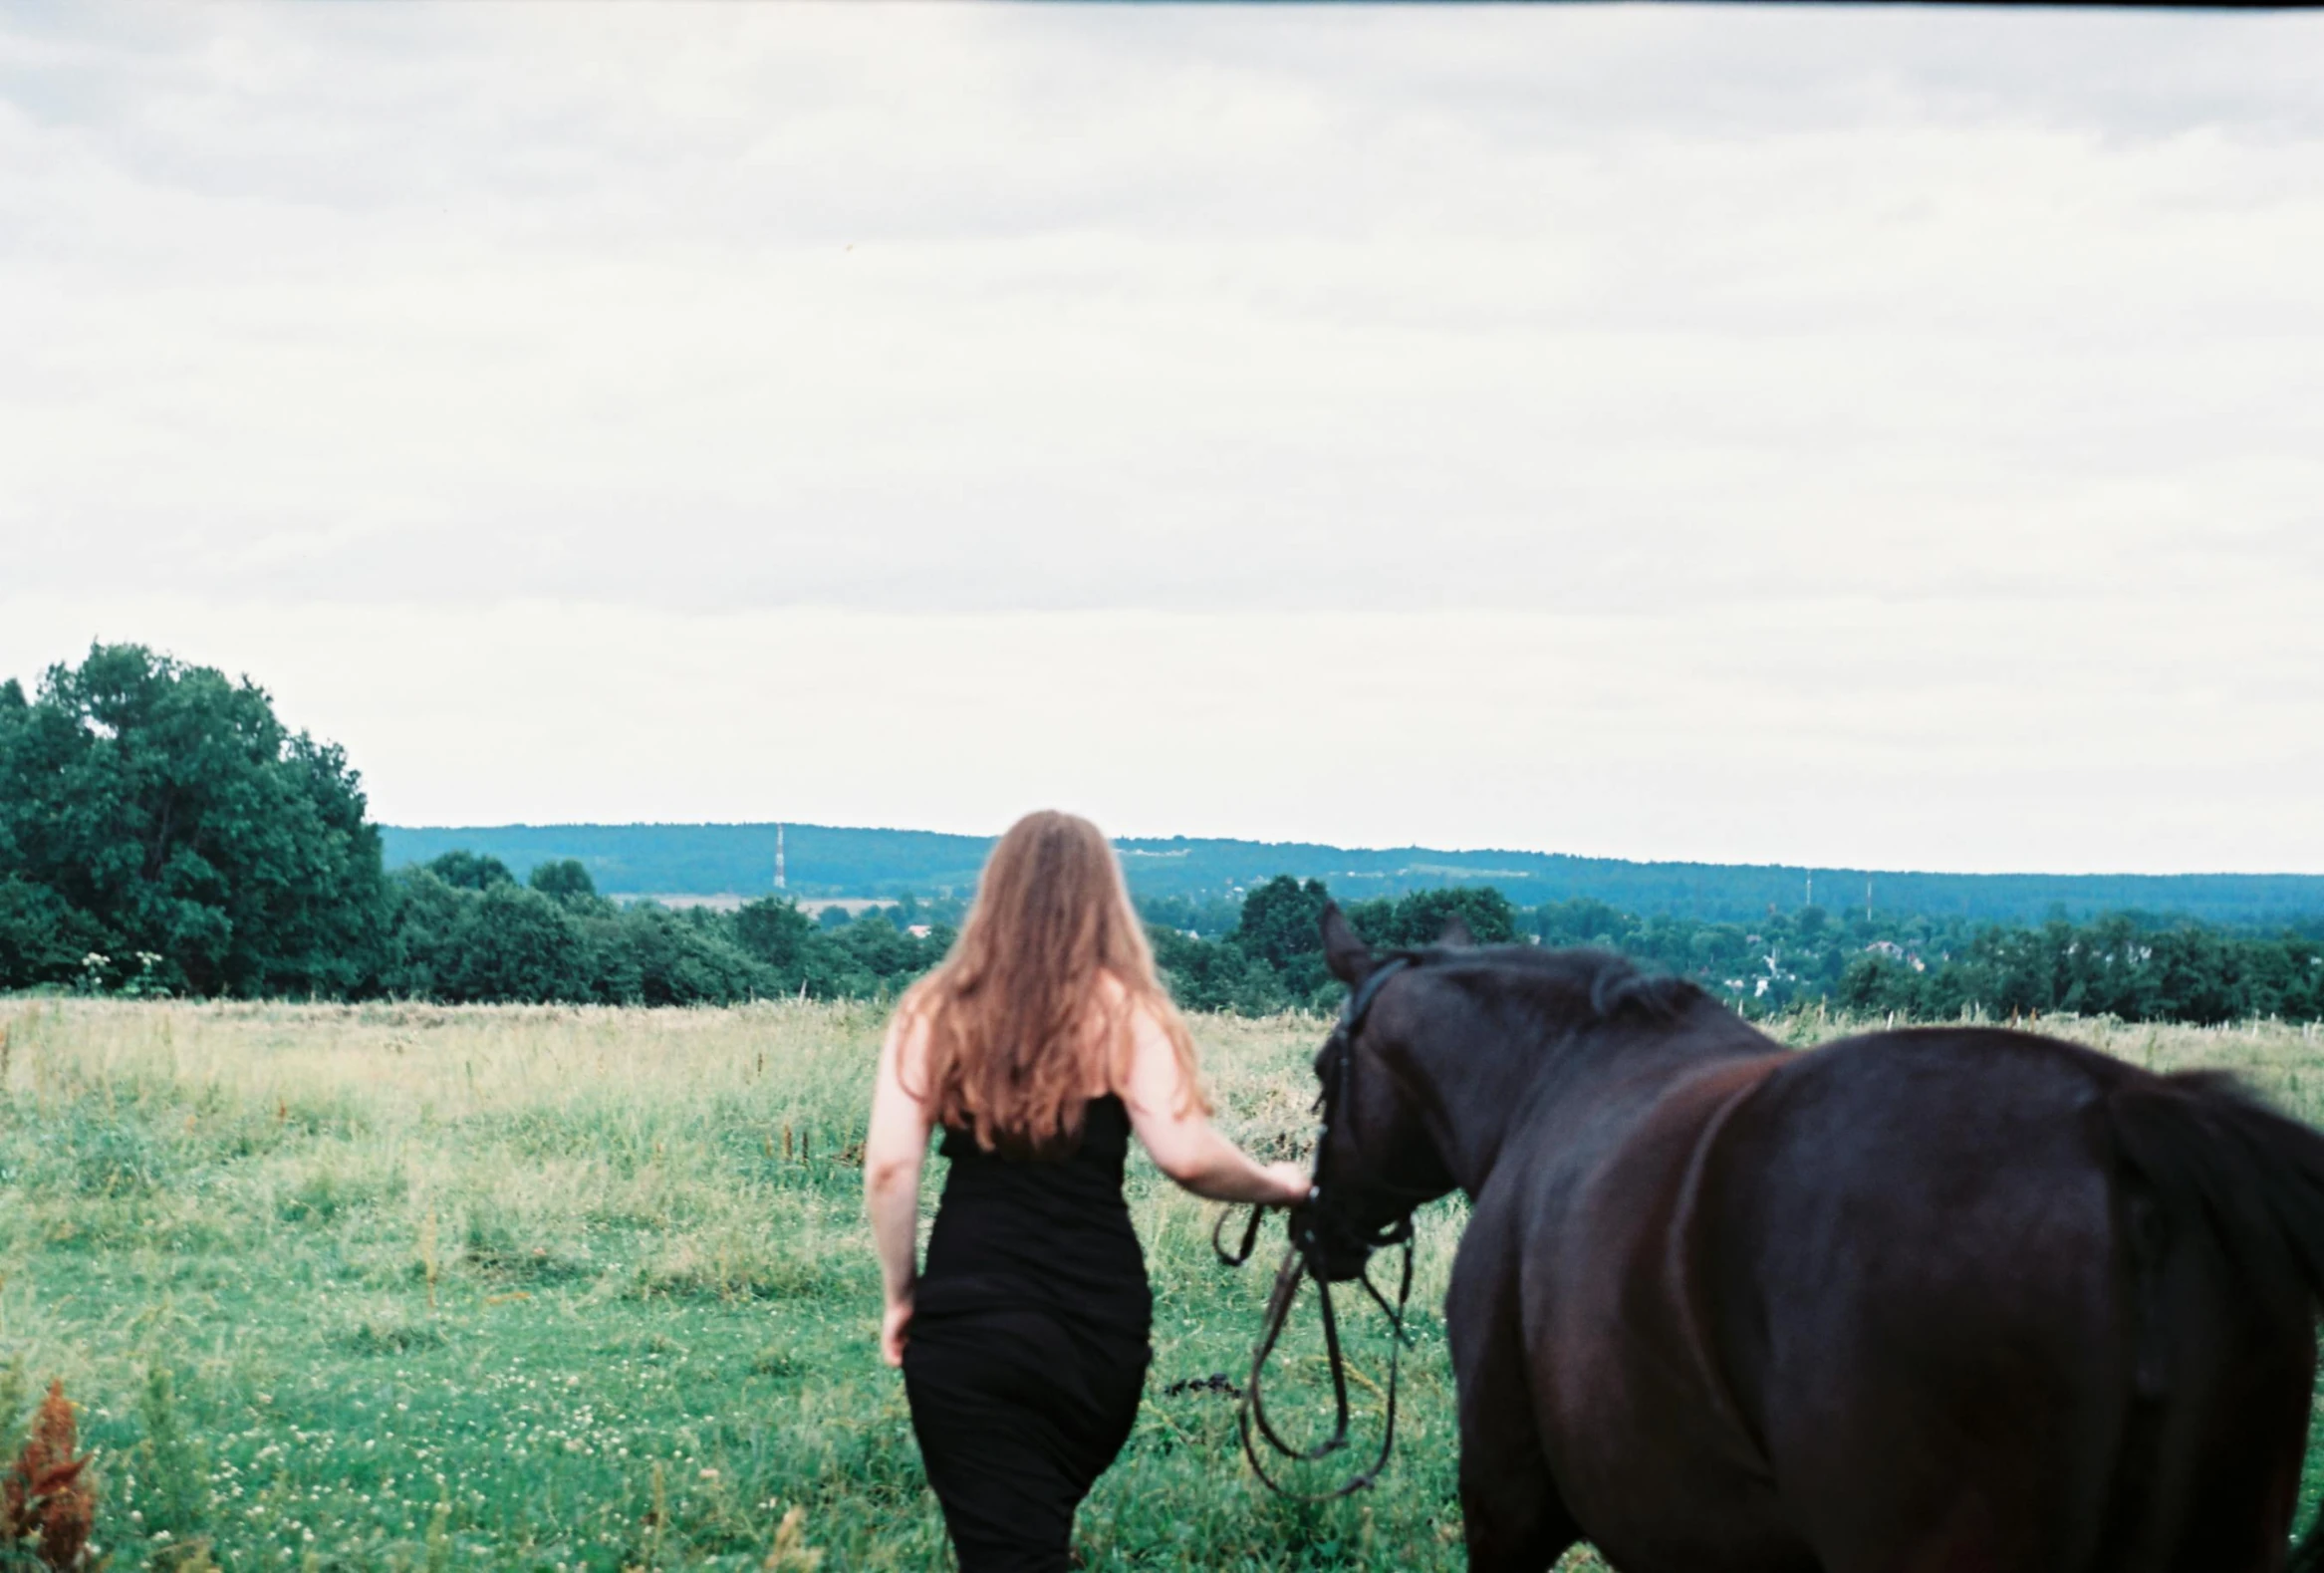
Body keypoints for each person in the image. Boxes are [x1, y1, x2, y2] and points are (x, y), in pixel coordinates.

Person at [865, 810, 1309, 1573]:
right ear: (1104, 899)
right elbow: (1188, 1157)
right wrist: (1285, 1185)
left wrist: (902, 1293)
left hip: (967, 1320)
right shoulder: (1128, 1012)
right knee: (1029, 1532)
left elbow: (889, 1169)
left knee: (1008, 1544)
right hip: (1094, 1327)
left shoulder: (932, 1010)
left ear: (994, 891)